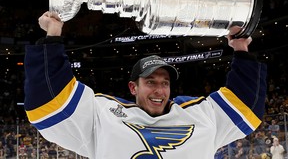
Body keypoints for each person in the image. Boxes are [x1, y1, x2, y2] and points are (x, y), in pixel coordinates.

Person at [24, 11, 267, 158]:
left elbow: (245, 107)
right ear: (133, 88)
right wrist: (53, 36)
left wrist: (240, 48)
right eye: (150, 82)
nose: (159, 90)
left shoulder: (200, 115)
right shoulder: (104, 115)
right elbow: (50, 103)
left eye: (164, 82)